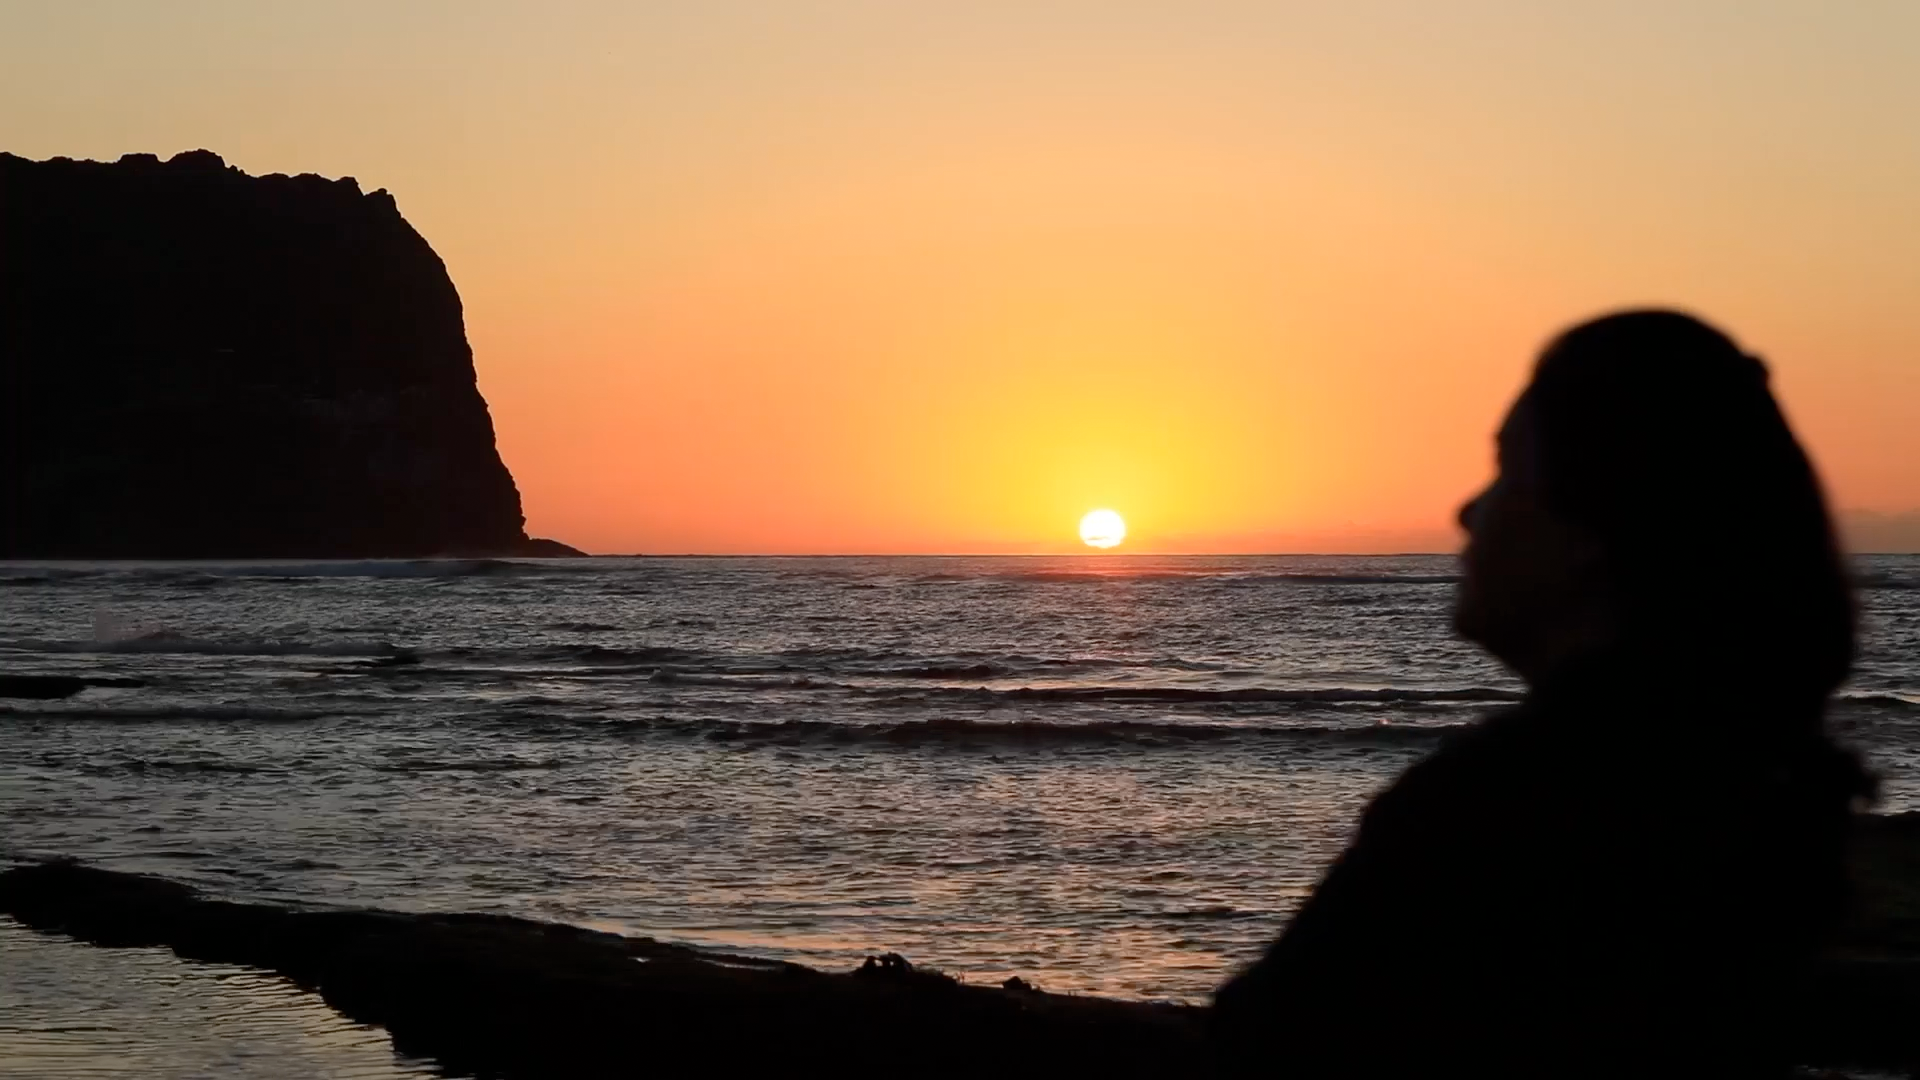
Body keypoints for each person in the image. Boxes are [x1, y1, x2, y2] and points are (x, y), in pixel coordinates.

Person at [1210, 310, 1876, 1077]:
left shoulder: (1508, 804)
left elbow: (1271, 1039)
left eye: (1505, 471)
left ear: (1592, 519)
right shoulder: (1756, 787)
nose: (1467, 511)